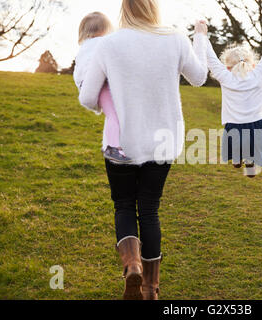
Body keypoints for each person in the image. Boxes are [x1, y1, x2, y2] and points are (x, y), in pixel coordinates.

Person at [78, 0, 208, 300]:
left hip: (121, 143)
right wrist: (200, 35)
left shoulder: (108, 44)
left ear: (125, 9)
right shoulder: (175, 38)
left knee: (124, 205)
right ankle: (151, 288)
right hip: (163, 142)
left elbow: (87, 98)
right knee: (149, 210)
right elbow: (199, 77)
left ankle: (132, 263)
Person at [206, 31, 262, 177]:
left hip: (234, 126)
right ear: (253, 64)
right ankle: (250, 160)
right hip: (259, 125)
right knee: (253, 146)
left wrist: (202, 35)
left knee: (236, 140)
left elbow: (210, 58)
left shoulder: (225, 76)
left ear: (227, 67)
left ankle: (236, 157)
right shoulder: (260, 72)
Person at [74, 12, 132, 164]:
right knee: (115, 115)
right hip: (100, 84)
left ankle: (111, 144)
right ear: (107, 29)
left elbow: (79, 70)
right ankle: (113, 147)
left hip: (88, 84)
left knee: (111, 114)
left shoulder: (84, 46)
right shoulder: (104, 43)